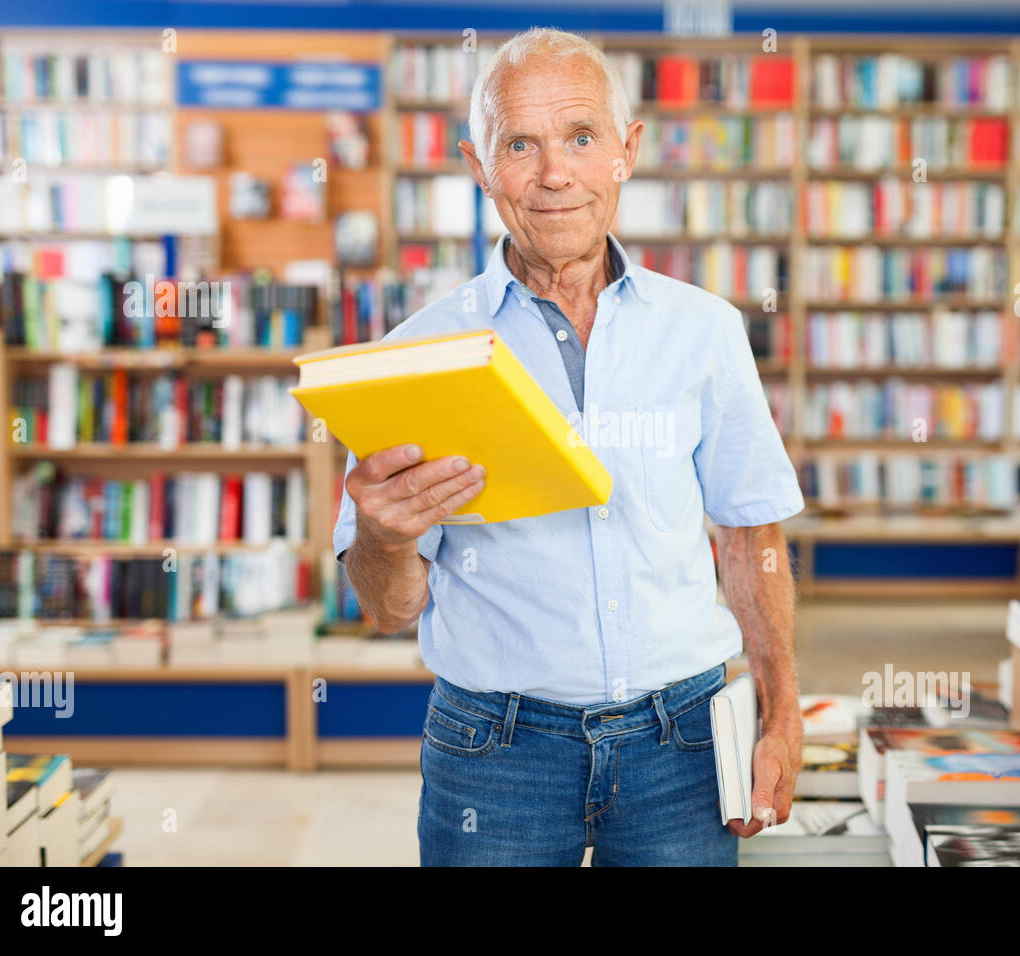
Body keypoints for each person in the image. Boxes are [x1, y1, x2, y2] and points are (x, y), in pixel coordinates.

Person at [334, 27, 804, 866]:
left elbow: (750, 534)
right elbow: (387, 608)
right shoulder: (417, 358)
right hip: (494, 754)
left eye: (581, 138)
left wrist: (782, 711)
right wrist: (384, 533)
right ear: (480, 168)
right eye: (521, 144)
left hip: (684, 744)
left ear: (626, 152)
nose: (555, 174)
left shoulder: (706, 331)